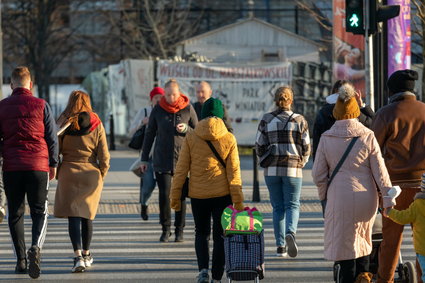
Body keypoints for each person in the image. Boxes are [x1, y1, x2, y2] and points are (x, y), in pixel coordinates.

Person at [312, 83, 395, 282]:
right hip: (366, 198)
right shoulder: (367, 136)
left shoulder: (326, 137)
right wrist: (388, 198)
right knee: (365, 239)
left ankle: (347, 278)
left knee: (344, 246)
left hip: (338, 198)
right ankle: (364, 276)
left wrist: (324, 195)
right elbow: (380, 171)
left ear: (337, 112)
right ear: (356, 111)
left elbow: (317, 174)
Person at [170, 97, 244, 283]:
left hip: (198, 195)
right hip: (223, 195)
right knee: (220, 236)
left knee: (201, 233)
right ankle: (217, 277)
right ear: (221, 115)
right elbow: (234, 172)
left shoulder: (192, 136)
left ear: (202, 115)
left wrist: (175, 196)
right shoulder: (229, 138)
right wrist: (238, 201)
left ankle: (203, 270)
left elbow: (181, 169)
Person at [0, 66, 58, 279]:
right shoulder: (41, 105)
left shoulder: (2, 107)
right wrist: (53, 163)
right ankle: (36, 247)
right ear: (30, 85)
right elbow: (52, 137)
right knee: (39, 211)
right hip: (38, 166)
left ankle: (21, 260)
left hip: (12, 168)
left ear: (11, 85)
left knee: (15, 214)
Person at [372, 69, 425, 283]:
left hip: (394, 188)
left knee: (391, 240)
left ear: (391, 91)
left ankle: (385, 279)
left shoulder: (385, 114)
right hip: (423, 188)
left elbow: (372, 150)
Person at [54, 90, 110, 273]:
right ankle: (87, 254)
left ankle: (77, 256)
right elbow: (104, 155)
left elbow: (55, 149)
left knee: (73, 216)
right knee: (87, 214)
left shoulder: (64, 122)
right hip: (91, 173)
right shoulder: (97, 123)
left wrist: (58, 170)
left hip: (69, 172)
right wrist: (101, 174)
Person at [255, 86, 310, 258]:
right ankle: (290, 233)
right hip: (293, 169)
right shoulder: (300, 120)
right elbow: (306, 147)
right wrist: (303, 161)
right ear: (291, 100)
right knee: (292, 204)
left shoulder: (266, 119)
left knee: (277, 207)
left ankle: (280, 247)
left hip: (271, 170)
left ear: (275, 100)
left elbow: (259, 144)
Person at [140, 79, 198, 242]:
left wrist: (187, 129)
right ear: (164, 94)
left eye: (174, 94)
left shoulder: (187, 108)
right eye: (168, 94)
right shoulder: (158, 110)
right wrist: (144, 159)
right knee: (165, 195)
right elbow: (149, 134)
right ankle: (165, 229)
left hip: (183, 159)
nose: (171, 98)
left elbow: (199, 131)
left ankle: (179, 230)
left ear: (179, 93)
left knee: (180, 196)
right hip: (162, 159)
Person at [312, 79, 375, 160]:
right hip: (355, 159)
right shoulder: (353, 111)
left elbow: (317, 142)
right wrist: (361, 105)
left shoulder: (323, 112)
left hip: (330, 159)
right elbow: (374, 123)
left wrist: (317, 163)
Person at [129, 87, 164, 220]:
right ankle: (144, 204)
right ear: (151, 99)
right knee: (148, 186)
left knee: (164, 189)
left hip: (162, 157)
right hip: (147, 157)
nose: (159, 100)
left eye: (161, 98)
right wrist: (141, 123)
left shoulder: (167, 112)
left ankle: (164, 215)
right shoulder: (144, 112)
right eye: (156, 98)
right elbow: (130, 132)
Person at [383, 173, 425, 282]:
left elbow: (402, 217)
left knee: (390, 244)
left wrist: (390, 212)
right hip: (415, 177)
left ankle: (385, 279)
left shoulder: (418, 205)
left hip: (423, 249)